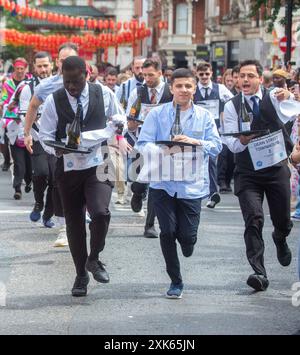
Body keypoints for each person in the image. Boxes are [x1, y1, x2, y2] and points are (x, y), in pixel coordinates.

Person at [39, 56, 125, 297]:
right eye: (67, 82)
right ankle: (80, 275)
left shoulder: (104, 94)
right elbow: (45, 136)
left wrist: (119, 126)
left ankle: (94, 258)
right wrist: (55, 148)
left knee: (100, 212)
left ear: (87, 76)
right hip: (68, 168)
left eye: (76, 82)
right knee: (74, 224)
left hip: (99, 162)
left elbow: (120, 121)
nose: (71, 87)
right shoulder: (53, 101)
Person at [136, 68, 222, 298]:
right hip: (162, 183)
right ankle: (176, 281)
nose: (184, 90)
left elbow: (217, 146)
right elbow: (142, 143)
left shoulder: (204, 116)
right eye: (179, 86)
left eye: (188, 86)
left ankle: (188, 241)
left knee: (186, 237)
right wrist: (161, 150)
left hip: (191, 185)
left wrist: (195, 142)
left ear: (194, 89)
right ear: (171, 88)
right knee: (167, 232)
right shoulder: (157, 114)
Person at [223, 59, 295, 292]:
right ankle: (258, 271)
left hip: (275, 168)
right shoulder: (232, 106)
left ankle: (280, 237)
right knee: (253, 218)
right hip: (247, 171)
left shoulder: (273, 97)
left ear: (259, 79)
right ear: (236, 79)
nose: (245, 80)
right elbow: (232, 144)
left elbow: (292, 110)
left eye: (250, 76)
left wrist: (289, 97)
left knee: (282, 219)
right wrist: (242, 141)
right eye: (241, 76)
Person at [24, 42, 79, 247]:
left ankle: (80, 217)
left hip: (83, 145)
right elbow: (32, 107)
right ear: (58, 62)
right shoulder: (46, 86)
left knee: (80, 187)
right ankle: (64, 227)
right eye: (62, 60)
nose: (66, 64)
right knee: (56, 181)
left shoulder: (89, 85)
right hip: (54, 144)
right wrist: (27, 133)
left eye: (70, 60)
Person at [127, 58, 174, 238]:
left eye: (150, 75)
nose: (146, 78)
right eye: (144, 75)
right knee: (140, 181)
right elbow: (130, 117)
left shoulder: (171, 91)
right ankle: (137, 193)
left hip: (164, 146)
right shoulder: (137, 92)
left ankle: (150, 225)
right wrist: (130, 125)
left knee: (156, 183)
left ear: (160, 73)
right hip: (142, 143)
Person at [16, 51, 55, 226]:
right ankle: (39, 202)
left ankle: (48, 212)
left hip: (57, 140)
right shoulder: (27, 88)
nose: (43, 69)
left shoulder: (61, 85)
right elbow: (27, 115)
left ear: (52, 65)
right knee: (41, 173)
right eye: (39, 66)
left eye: (46, 65)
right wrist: (29, 135)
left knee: (56, 179)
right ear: (34, 67)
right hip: (38, 138)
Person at [194, 62, 233, 205]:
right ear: (197, 74)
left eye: (207, 74)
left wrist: (226, 121)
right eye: (201, 74)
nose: (204, 77)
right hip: (195, 131)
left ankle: (212, 193)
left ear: (211, 74)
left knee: (211, 161)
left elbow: (232, 103)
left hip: (213, 130)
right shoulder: (193, 90)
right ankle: (194, 193)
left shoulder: (220, 89)